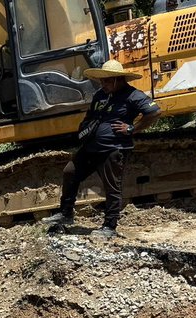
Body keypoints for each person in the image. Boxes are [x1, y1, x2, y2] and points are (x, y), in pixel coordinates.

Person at [42, 60, 161, 238]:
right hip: (91, 148)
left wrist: (132, 129)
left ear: (117, 80)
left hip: (113, 149)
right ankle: (66, 214)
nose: (102, 84)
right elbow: (90, 115)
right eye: (101, 81)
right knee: (70, 172)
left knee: (112, 188)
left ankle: (110, 227)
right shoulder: (100, 95)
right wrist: (84, 127)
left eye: (106, 81)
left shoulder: (133, 95)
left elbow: (154, 112)